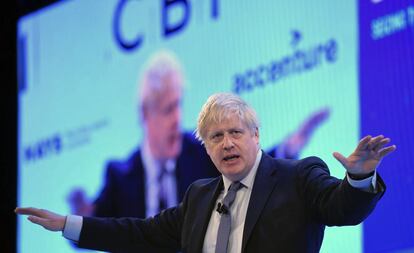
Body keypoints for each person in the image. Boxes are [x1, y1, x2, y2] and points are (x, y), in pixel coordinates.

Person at [16, 92, 395, 252]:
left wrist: (359, 178)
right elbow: (140, 234)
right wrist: (69, 224)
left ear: (256, 135)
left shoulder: (297, 176)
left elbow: (342, 210)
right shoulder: (199, 196)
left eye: (235, 133)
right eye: (216, 137)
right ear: (206, 147)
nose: (227, 143)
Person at [68, 49, 330, 220]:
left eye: (179, 105)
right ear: (145, 114)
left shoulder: (200, 152)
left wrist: (287, 149)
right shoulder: (120, 177)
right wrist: (80, 216)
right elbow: (95, 228)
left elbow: (246, 166)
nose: (177, 119)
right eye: (167, 109)